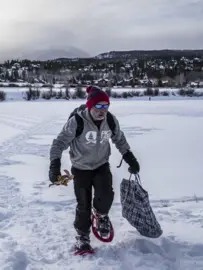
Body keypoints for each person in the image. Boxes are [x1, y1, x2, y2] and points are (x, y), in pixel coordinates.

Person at [48, 85, 140, 253]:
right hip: (80, 168)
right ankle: (82, 236)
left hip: (101, 165)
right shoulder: (77, 121)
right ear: (90, 106)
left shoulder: (110, 120)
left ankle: (101, 216)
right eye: (98, 106)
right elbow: (59, 143)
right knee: (83, 204)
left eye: (106, 106)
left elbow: (119, 139)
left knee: (106, 196)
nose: (102, 110)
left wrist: (129, 157)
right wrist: (55, 165)